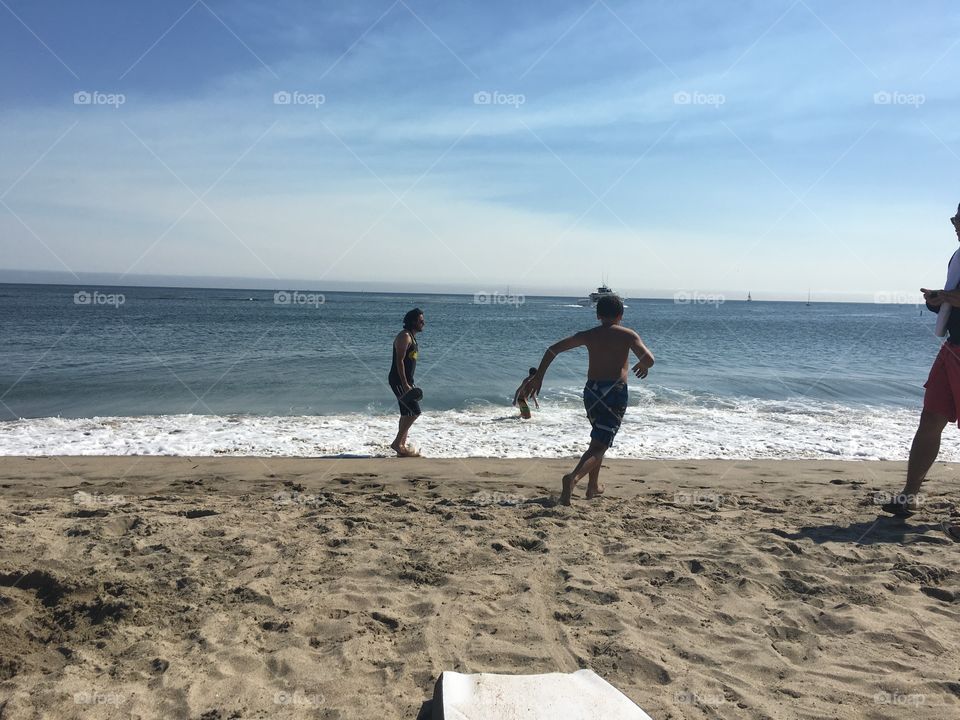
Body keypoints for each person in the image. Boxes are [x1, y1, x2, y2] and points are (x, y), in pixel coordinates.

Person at [525, 295, 654, 505]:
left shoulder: (589, 335)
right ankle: (573, 478)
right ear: (621, 315)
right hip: (614, 392)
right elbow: (649, 359)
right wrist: (643, 366)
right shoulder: (628, 335)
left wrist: (539, 376)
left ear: (597, 315)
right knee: (600, 445)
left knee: (599, 439)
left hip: (591, 392)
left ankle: (593, 487)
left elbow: (553, 349)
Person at [883, 203, 960, 519]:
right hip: (952, 347)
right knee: (930, 418)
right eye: (955, 218)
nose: (954, 223)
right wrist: (936, 301)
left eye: (959, 218)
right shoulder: (957, 255)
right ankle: (909, 497)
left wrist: (944, 296)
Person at [389, 308, 425, 457]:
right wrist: (404, 383)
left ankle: (401, 446)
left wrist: (409, 382)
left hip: (406, 380)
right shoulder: (404, 336)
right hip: (399, 380)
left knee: (406, 413)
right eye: (421, 320)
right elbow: (400, 361)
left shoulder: (411, 336)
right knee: (415, 412)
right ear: (413, 322)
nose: (424, 323)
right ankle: (397, 443)